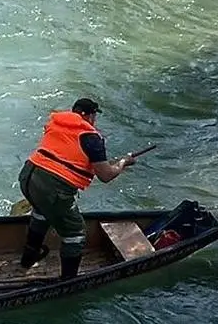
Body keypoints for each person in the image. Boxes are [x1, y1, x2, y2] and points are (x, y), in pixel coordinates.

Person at [17, 97, 136, 279]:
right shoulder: (91, 137)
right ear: (90, 116)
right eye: (95, 116)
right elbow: (105, 176)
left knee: (41, 211)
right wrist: (123, 163)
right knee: (75, 232)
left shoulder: (56, 124)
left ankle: (28, 258)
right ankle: (68, 280)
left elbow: (65, 154)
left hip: (28, 176)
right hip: (52, 187)